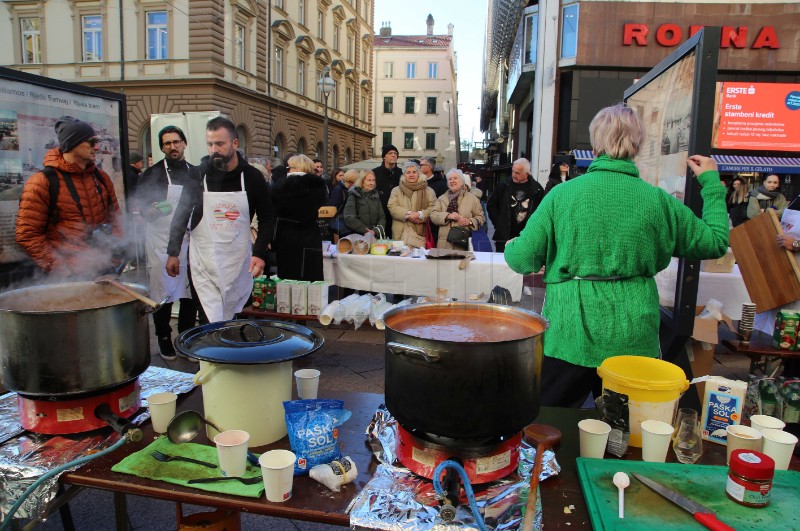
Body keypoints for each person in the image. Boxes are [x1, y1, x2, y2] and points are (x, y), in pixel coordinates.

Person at [504, 103, 729, 408]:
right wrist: (711, 184)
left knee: (548, 426)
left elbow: (522, 260)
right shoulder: (657, 201)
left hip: (569, 334)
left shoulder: (561, 195)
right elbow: (716, 242)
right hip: (633, 337)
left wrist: (512, 245)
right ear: (637, 146)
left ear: (595, 143)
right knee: (627, 435)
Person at [166, 116, 274, 323]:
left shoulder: (251, 177)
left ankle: (231, 353)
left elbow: (268, 218)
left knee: (234, 316)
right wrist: (173, 252)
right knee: (209, 319)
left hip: (238, 260)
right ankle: (209, 356)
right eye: (210, 144)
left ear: (235, 143)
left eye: (220, 143)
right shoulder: (197, 176)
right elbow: (181, 214)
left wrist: (259, 253)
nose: (214, 149)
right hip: (203, 261)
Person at [16, 116, 122, 277]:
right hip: (68, 275)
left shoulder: (101, 177)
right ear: (73, 144)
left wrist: (115, 256)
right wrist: (61, 269)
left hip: (103, 267)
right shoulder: (42, 181)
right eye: (92, 142)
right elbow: (28, 235)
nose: (98, 147)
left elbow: (115, 219)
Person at [136, 125, 199, 360]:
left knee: (189, 291)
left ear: (184, 143)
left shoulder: (195, 173)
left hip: (190, 238)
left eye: (176, 142)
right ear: (162, 147)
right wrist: (152, 210)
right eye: (167, 143)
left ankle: (186, 334)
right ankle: (163, 336)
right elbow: (143, 210)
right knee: (162, 293)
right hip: (160, 241)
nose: (172, 146)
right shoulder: (151, 175)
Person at [271, 154, 327, 281]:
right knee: (311, 277)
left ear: (296, 168)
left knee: (289, 279)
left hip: (287, 238)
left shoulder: (282, 187)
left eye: (289, 167)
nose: (287, 170)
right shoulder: (317, 186)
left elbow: (275, 212)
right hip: (311, 236)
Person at [487, 157, 545, 252]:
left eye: (517, 173)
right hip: (504, 236)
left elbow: (542, 212)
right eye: (513, 171)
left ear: (526, 174)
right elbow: (491, 205)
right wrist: (498, 223)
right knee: (502, 264)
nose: (514, 175)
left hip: (527, 237)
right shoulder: (504, 185)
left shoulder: (537, 190)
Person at [430, 169, 484, 250]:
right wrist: (448, 216)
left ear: (462, 181)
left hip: (462, 244)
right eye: (450, 179)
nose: (452, 181)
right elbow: (433, 215)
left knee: (461, 263)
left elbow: (481, 218)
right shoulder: (442, 198)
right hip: (443, 244)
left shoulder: (472, 198)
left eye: (455, 178)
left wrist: (469, 221)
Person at [387, 161, 437, 248]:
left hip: (420, 234)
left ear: (418, 173)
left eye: (414, 172)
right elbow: (392, 207)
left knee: (418, 260)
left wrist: (419, 215)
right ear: (404, 174)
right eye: (408, 172)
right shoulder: (396, 190)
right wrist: (409, 214)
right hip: (400, 233)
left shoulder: (429, 190)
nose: (411, 175)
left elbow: (434, 208)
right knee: (400, 260)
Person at [343, 170, 385, 236]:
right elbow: (349, 217)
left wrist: (375, 231)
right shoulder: (353, 195)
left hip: (374, 237)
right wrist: (366, 230)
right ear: (361, 181)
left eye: (373, 180)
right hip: (357, 236)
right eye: (369, 180)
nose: (372, 183)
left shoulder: (376, 197)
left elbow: (382, 218)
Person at [373, 144, 403, 235]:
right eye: (390, 153)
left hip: (397, 213)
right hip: (379, 214)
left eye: (395, 153)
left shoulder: (402, 173)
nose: (393, 155)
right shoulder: (375, 172)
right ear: (384, 157)